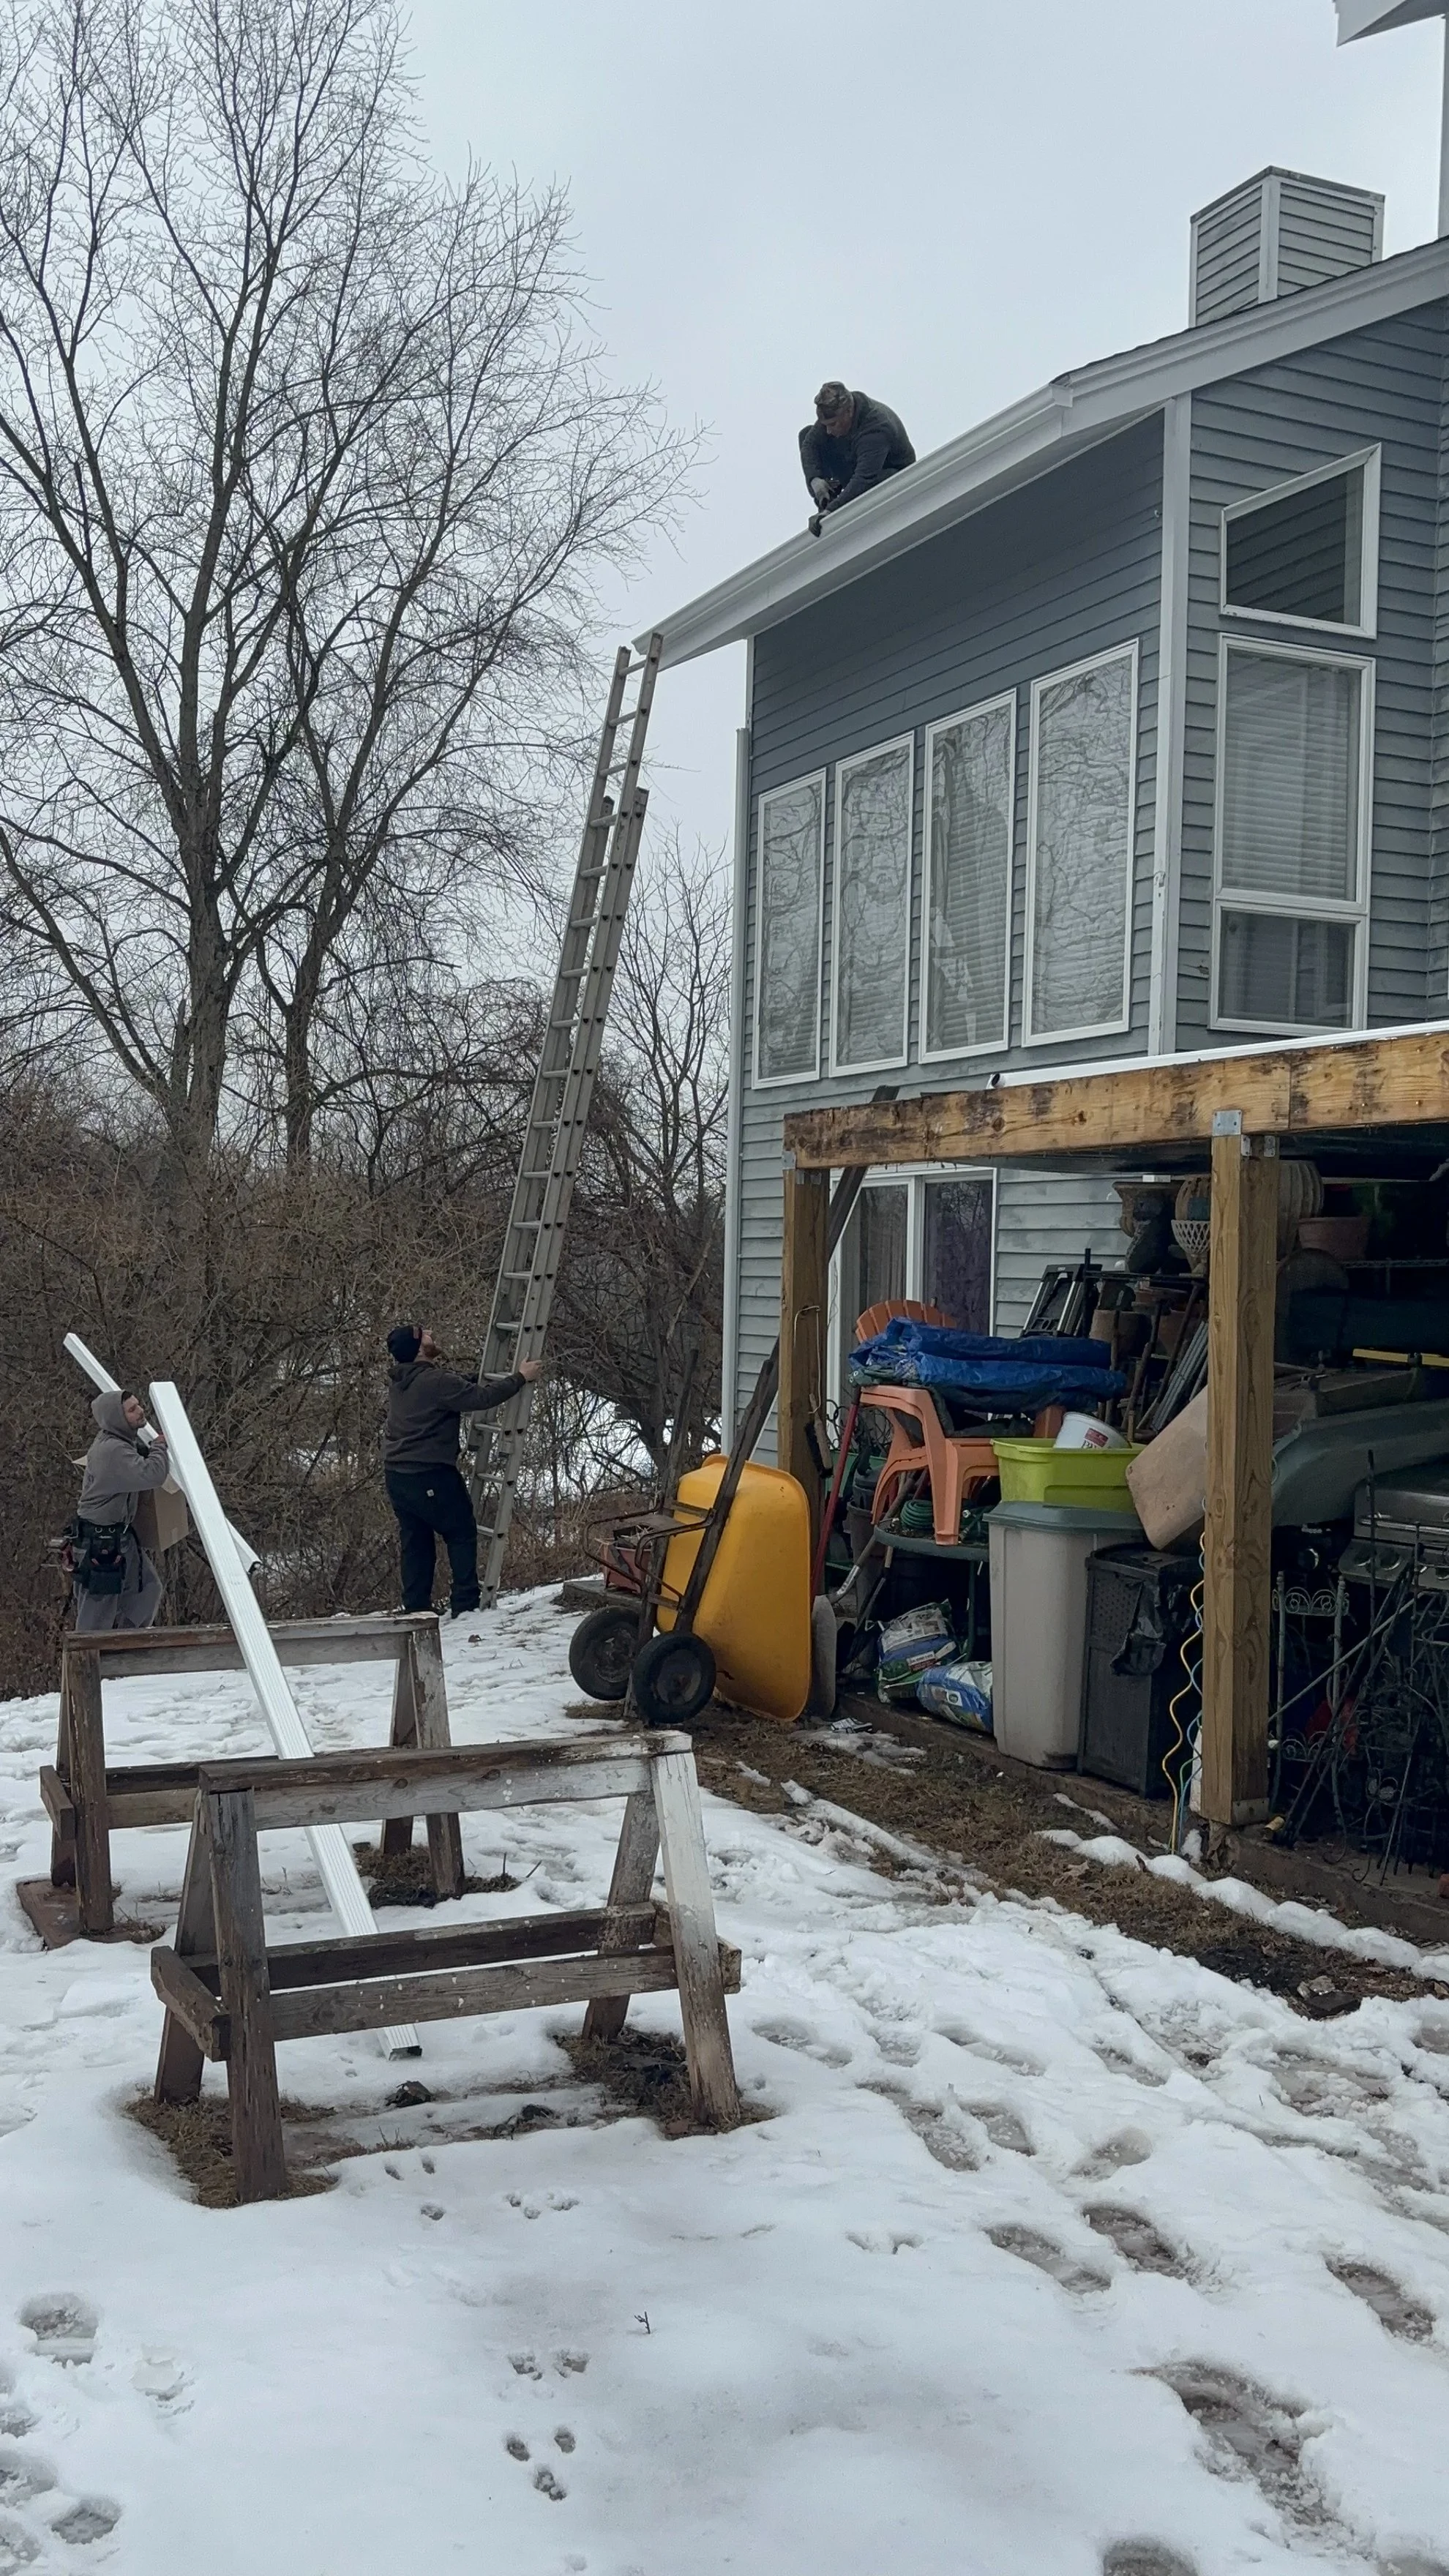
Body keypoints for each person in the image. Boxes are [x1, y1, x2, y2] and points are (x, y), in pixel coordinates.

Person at [382, 1324, 542, 1617]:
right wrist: (521, 1378)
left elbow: (457, 1388)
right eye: (425, 1335)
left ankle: (416, 1608)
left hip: (397, 1475)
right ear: (419, 1350)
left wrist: (481, 1379)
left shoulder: (402, 1379)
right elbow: (481, 1399)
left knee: (416, 1541)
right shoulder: (436, 1382)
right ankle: (465, 1605)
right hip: (428, 1472)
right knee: (461, 1532)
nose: (431, 1333)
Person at [71, 1390, 171, 1633]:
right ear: (117, 1419)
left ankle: (125, 1646)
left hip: (120, 1538)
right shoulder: (112, 1451)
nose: (140, 1411)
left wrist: (148, 1449)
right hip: (100, 1543)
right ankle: (90, 1663)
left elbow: (135, 1457)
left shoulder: (122, 1442)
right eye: (132, 1409)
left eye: (138, 1405)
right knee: (98, 1610)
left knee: (147, 1589)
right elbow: (152, 1475)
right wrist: (159, 1447)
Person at [799, 381, 915, 534]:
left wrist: (831, 512)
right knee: (806, 434)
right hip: (853, 465)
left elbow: (864, 478)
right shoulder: (835, 413)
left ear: (848, 412)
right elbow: (810, 444)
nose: (828, 431)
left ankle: (832, 507)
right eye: (825, 425)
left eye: (833, 424)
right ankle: (827, 498)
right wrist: (815, 480)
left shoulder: (876, 429)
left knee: (870, 482)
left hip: (888, 477)